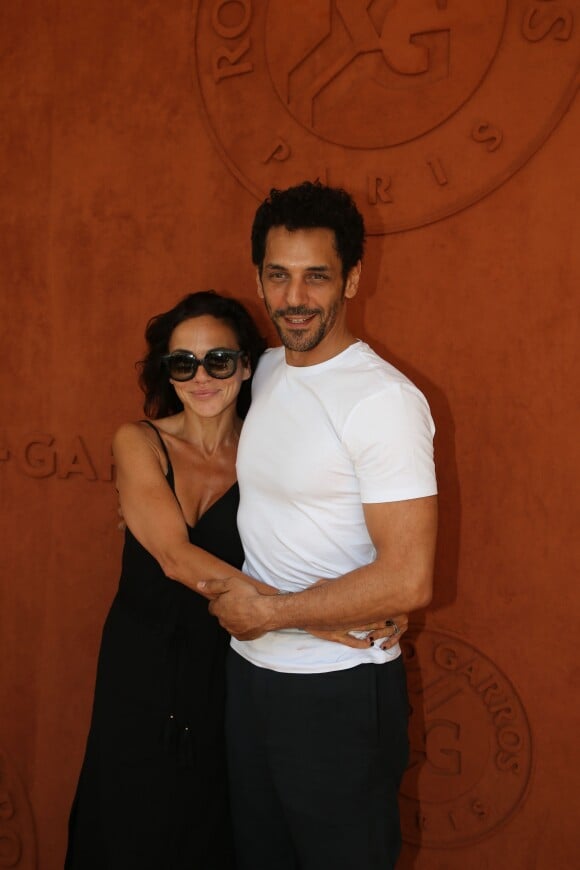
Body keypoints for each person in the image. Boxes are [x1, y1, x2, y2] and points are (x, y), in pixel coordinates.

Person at [199, 182, 438, 870]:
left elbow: (408, 576)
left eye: (316, 276)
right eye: (279, 275)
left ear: (353, 280)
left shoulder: (382, 401)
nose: (294, 297)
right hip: (251, 678)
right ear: (258, 279)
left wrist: (274, 613)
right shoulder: (267, 369)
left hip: (336, 690)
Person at [65, 291, 268, 869]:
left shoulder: (268, 457)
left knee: (209, 832)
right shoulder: (140, 441)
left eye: (218, 361)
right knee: (127, 824)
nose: (200, 377)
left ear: (247, 364)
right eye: (183, 363)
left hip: (224, 673)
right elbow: (176, 559)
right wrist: (317, 615)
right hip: (140, 668)